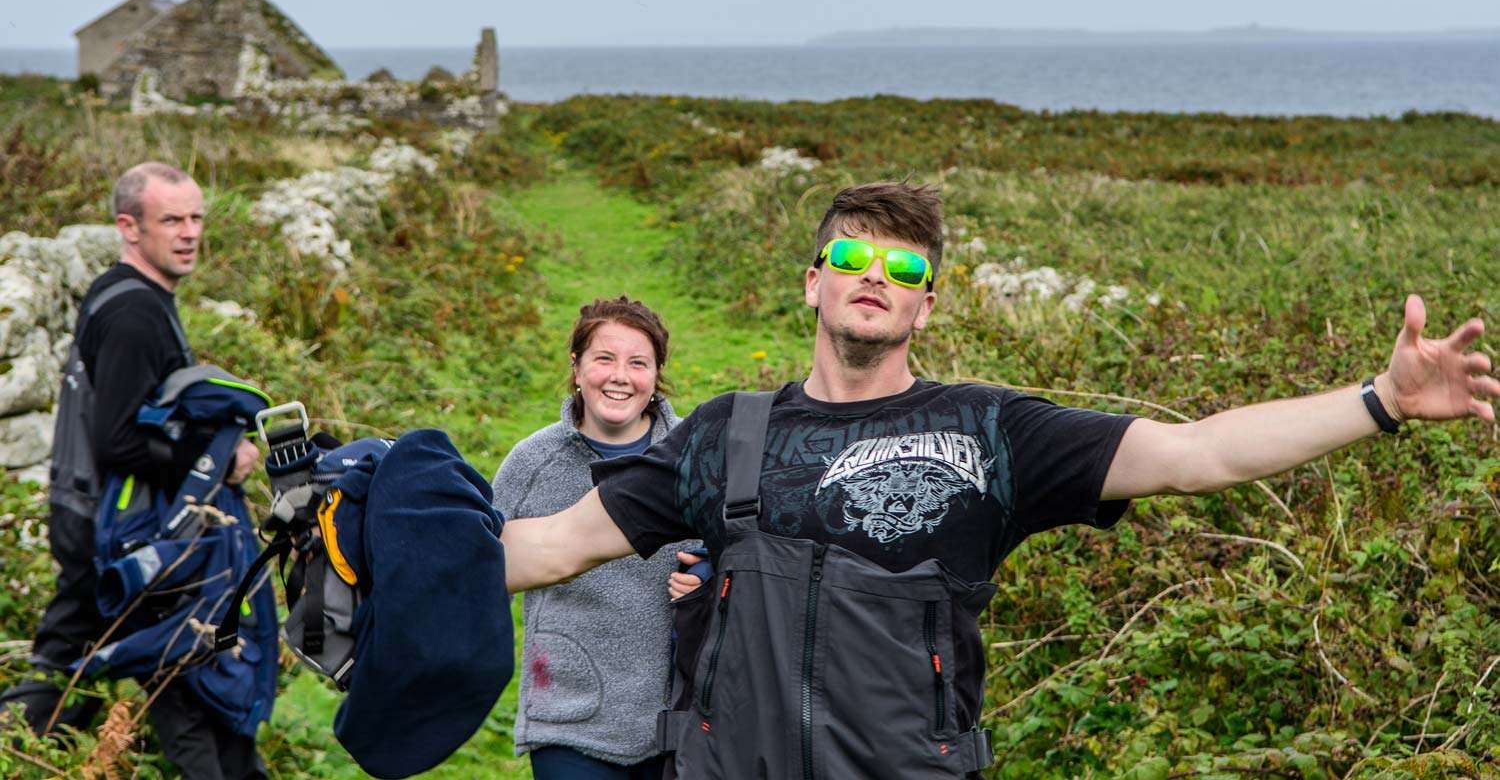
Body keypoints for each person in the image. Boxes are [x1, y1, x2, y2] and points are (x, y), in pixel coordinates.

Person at [500, 180, 1497, 779]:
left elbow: (1199, 455)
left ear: (926, 305)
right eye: (851, 254)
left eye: (906, 268)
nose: (875, 275)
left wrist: (1380, 399)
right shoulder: (726, 434)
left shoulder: (988, 430)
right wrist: (361, 537)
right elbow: (547, 545)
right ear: (814, 279)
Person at [0, 162, 262, 780]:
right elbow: (119, 440)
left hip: (98, 522)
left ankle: (22, 753)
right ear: (129, 227)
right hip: (115, 536)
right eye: (171, 219)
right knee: (181, 690)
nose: (190, 232)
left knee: (76, 677)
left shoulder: (126, 295)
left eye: (197, 217)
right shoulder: (135, 317)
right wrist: (219, 460)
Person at [491, 296, 694, 780]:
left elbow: (735, 557)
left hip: (676, 716)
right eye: (604, 358)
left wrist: (705, 578)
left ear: (657, 374)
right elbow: (484, 568)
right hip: (568, 717)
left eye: (638, 363)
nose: (619, 376)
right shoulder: (531, 462)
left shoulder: (692, 456)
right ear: (577, 368)